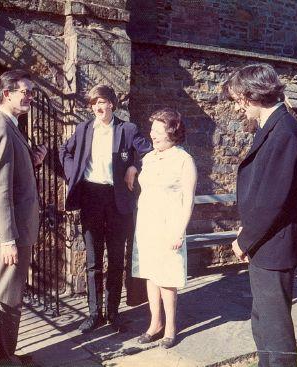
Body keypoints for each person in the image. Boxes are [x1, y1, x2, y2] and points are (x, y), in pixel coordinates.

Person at [221, 63, 297, 367]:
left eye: (237, 99)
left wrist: (244, 240)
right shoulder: (273, 127)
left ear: (250, 95)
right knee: (262, 322)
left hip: (275, 245)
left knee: (275, 330)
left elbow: (273, 200)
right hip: (266, 243)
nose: (237, 107)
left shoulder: (284, 130)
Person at [59, 84, 152, 333]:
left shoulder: (127, 129)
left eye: (101, 102)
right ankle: (94, 314)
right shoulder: (83, 129)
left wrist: (135, 167)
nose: (97, 107)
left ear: (112, 103)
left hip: (117, 199)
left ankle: (113, 313)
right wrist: (73, 175)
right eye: (93, 103)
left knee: (117, 258)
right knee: (93, 260)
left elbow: (149, 153)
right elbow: (63, 152)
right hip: (91, 196)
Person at [0, 69, 47, 365]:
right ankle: (2, 359)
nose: (30, 96)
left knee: (7, 292)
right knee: (6, 295)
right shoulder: (0, 129)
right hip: (11, 232)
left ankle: (3, 353)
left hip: (15, 228)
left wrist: (33, 162)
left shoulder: (10, 125)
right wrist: (7, 238)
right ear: (7, 94)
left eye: (31, 92)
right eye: (26, 91)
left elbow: (12, 176)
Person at [132, 108, 197, 349]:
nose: (152, 134)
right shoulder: (149, 158)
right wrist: (131, 169)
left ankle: (170, 327)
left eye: (158, 131)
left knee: (167, 277)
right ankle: (154, 324)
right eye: (152, 130)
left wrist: (179, 231)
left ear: (172, 132)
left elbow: (188, 198)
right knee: (151, 273)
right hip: (147, 224)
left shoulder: (183, 160)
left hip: (169, 226)